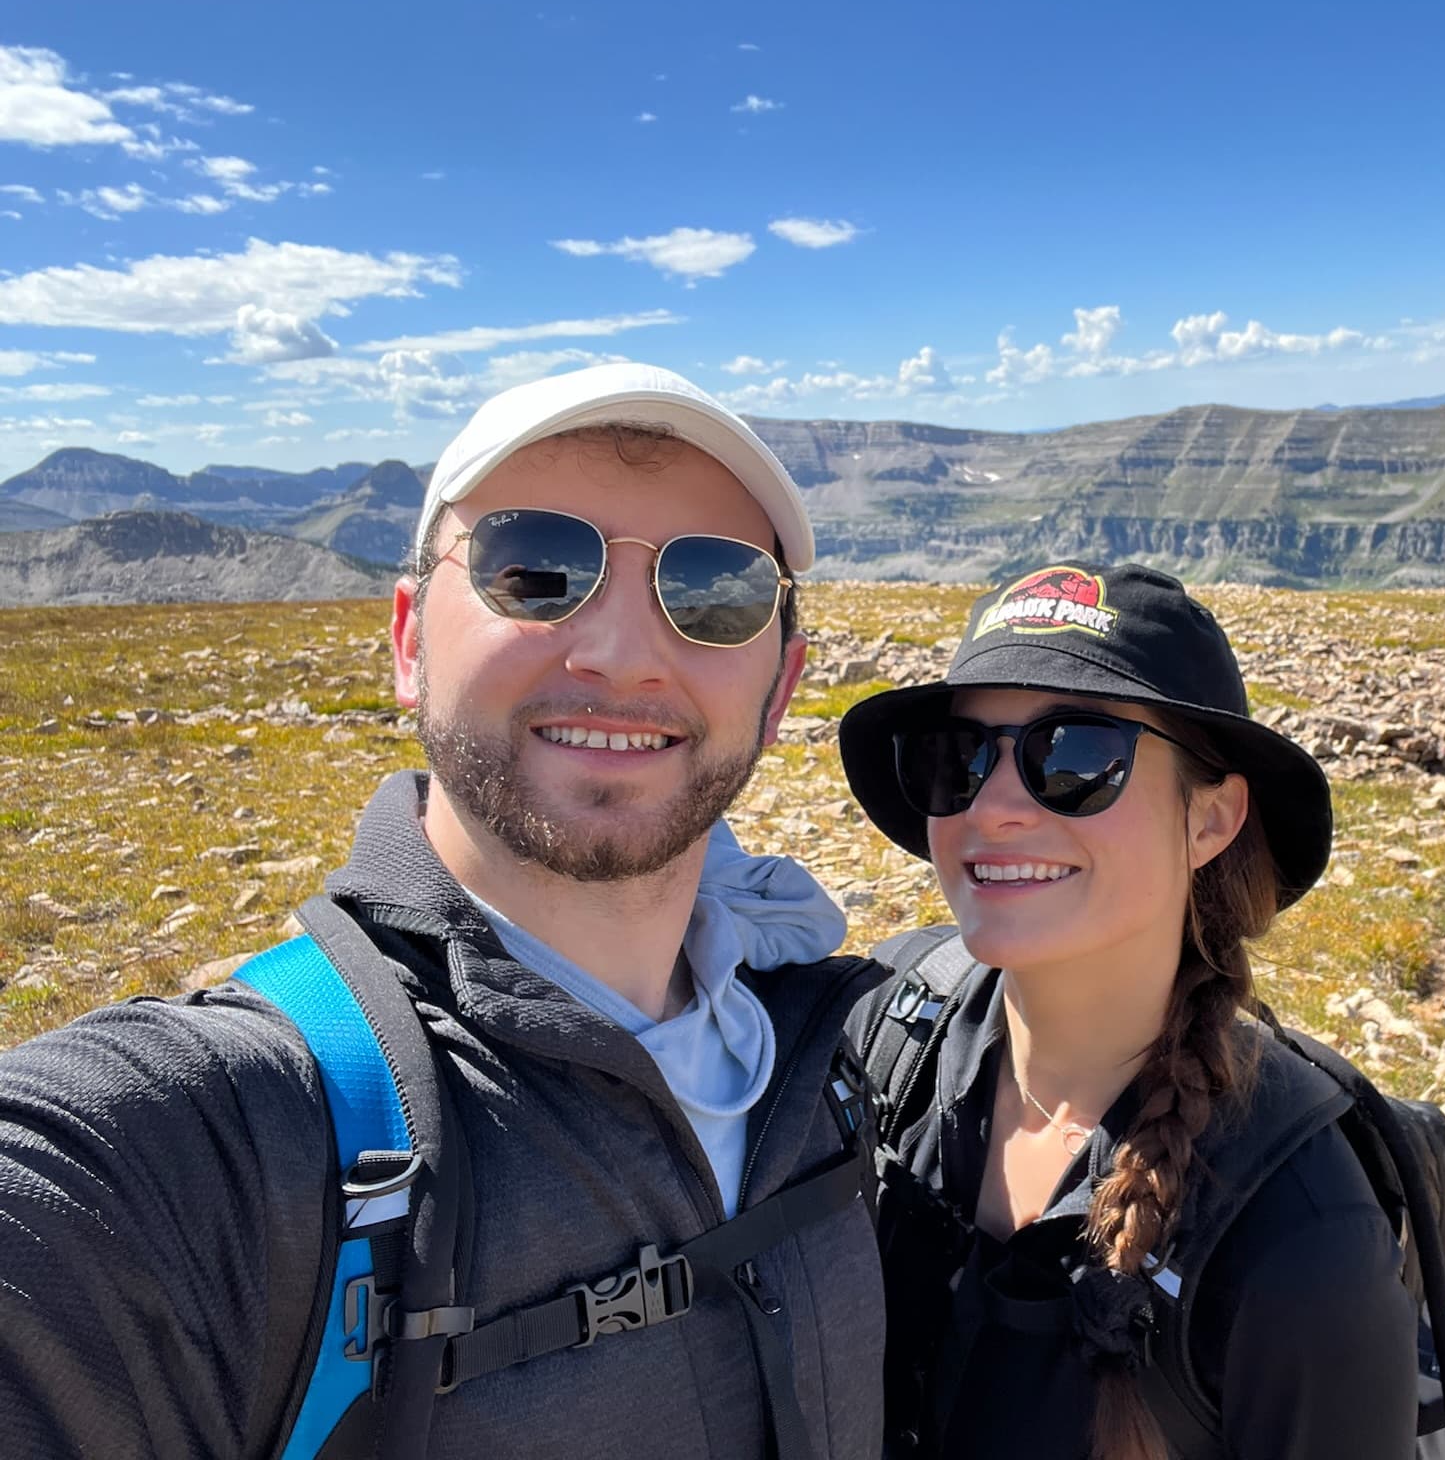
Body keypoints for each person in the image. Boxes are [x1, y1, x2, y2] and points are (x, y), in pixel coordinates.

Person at [0, 364, 885, 1459]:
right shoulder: (226, 1139)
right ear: (410, 639)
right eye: (538, 570)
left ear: (784, 683)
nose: (619, 651)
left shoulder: (837, 1047)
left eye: (714, 590)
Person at [836, 563, 1420, 1460]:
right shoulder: (882, 1031)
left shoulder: (1302, 1238)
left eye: (1072, 758)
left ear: (1211, 819)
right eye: (959, 757)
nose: (993, 808)